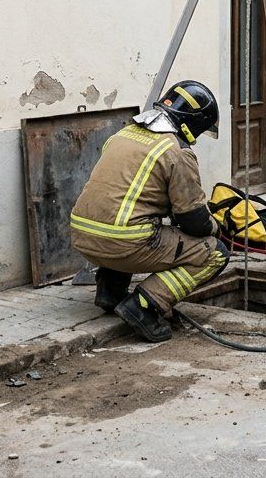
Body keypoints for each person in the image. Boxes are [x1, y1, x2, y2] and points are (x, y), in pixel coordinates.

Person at [70, 80, 229, 343]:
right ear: (194, 123)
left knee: (132, 220)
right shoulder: (176, 150)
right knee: (215, 253)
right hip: (124, 243)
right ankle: (145, 305)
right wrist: (216, 227)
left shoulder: (123, 133)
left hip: (83, 237)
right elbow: (193, 221)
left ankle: (110, 290)